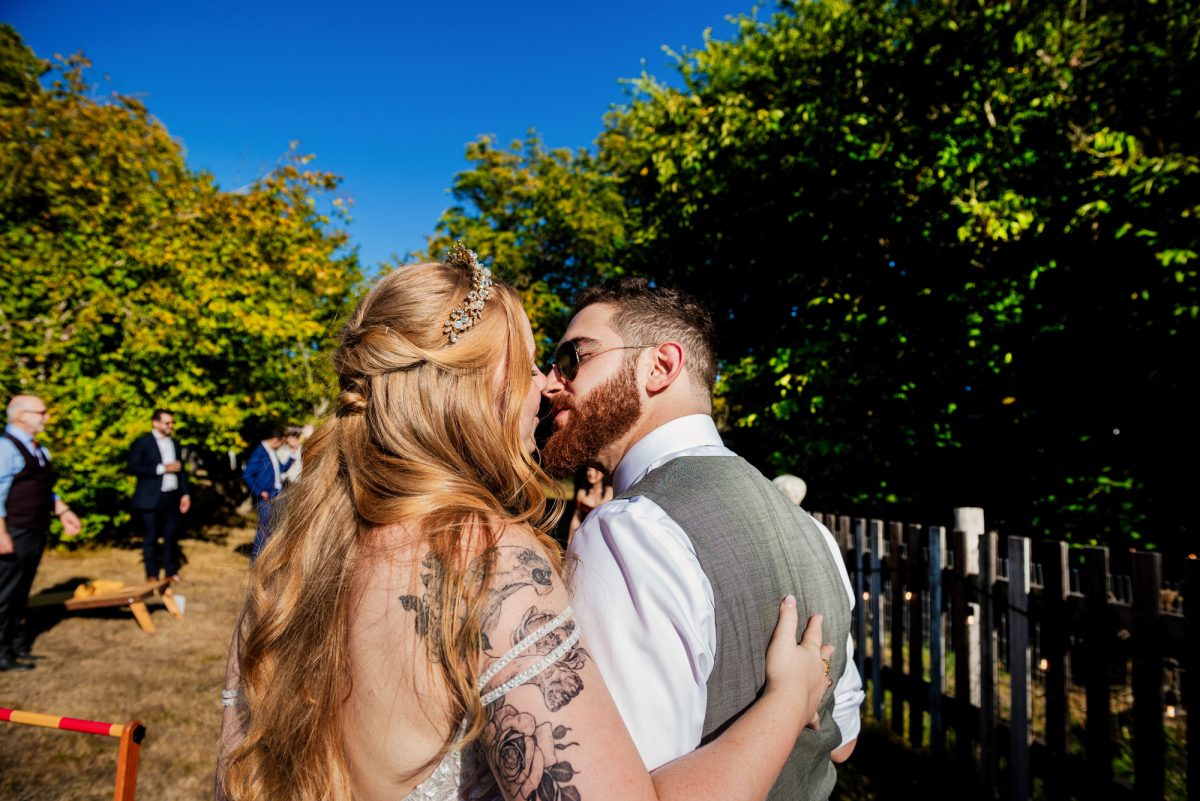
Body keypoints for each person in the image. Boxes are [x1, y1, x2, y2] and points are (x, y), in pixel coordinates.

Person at [217, 246, 835, 801]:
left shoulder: (290, 548)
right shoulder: (489, 558)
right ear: (474, 392)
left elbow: (235, 777)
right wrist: (787, 701)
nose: (546, 387)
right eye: (535, 365)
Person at [540, 278, 864, 800]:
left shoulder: (629, 529)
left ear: (660, 367)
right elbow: (841, 738)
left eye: (575, 357)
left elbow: (627, 790)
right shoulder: (815, 534)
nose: (554, 382)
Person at [0, 395, 82, 671]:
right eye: (42, 412)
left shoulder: (40, 450)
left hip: (35, 530)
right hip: (13, 530)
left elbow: (45, 490)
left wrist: (63, 511)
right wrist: (1, 535)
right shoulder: (5, 449)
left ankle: (16, 646)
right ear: (22, 416)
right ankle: (1, 652)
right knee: (4, 593)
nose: (47, 417)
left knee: (22, 592)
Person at [128, 409, 191, 582]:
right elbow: (133, 467)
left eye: (172, 422)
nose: (171, 426)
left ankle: (171, 572)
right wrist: (162, 468)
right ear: (155, 423)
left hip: (172, 497)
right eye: (167, 423)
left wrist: (185, 494)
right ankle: (152, 575)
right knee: (151, 537)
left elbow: (181, 471)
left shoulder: (175, 443)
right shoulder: (143, 443)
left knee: (171, 535)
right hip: (150, 498)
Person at [242, 426, 297, 560]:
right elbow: (247, 474)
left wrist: (293, 452)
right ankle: (256, 561)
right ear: (275, 439)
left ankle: (266, 559)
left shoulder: (271, 452)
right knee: (263, 530)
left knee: (273, 530)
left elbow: (282, 469)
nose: (281, 445)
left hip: (277, 495)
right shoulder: (260, 452)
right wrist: (260, 491)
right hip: (267, 498)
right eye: (281, 442)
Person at [568, 465, 613, 538]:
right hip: (585, 535)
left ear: (603, 473)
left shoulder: (610, 492)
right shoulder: (582, 493)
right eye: (589, 470)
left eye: (595, 470)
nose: (591, 473)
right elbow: (576, 518)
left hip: (604, 536)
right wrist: (570, 540)